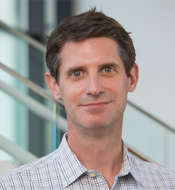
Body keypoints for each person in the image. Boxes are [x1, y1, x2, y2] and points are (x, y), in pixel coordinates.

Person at [0, 8, 175, 190]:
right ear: (54, 86)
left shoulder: (168, 184)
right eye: (77, 73)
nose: (94, 88)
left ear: (132, 78)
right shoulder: (14, 186)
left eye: (107, 69)